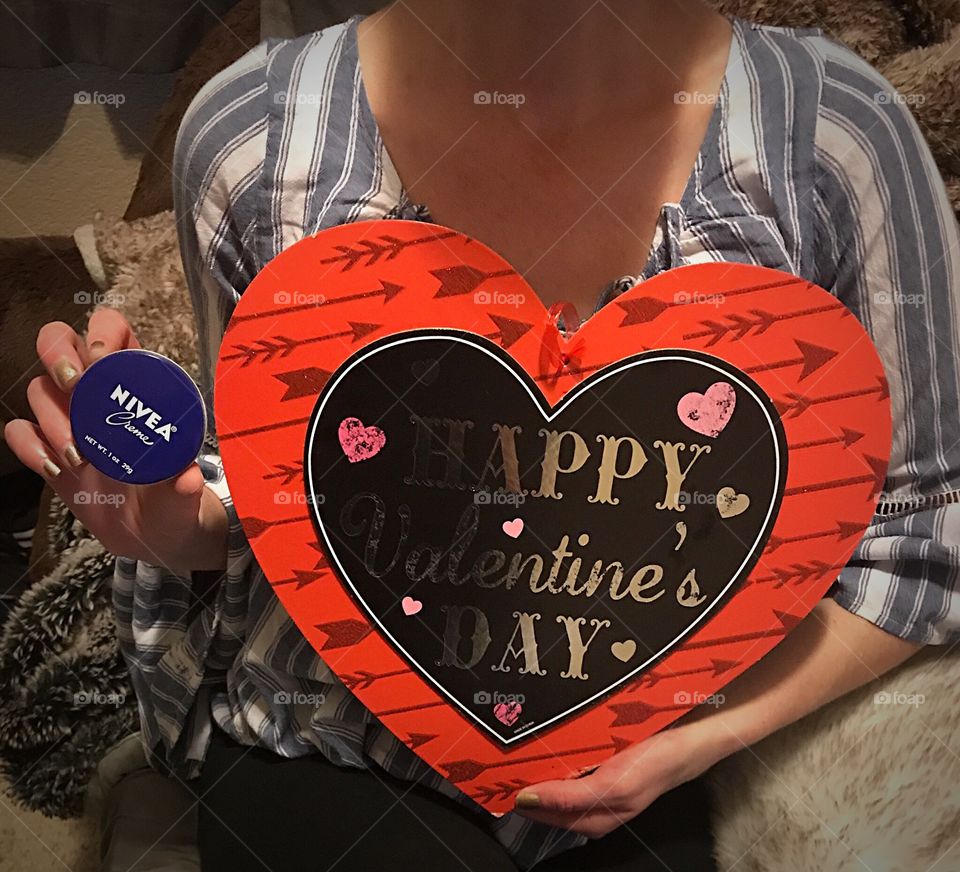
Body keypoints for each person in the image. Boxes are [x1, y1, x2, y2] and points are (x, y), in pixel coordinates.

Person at [6, 1, 959, 868]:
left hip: (665, 748)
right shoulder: (251, 138)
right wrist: (175, 528)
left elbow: (927, 540)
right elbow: (268, 501)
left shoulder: (837, 138)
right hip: (331, 732)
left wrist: (699, 735)